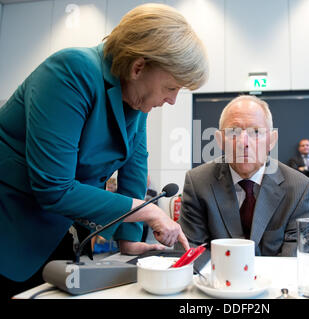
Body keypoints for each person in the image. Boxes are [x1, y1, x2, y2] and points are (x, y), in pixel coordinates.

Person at [0, 3, 208, 298]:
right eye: (171, 87)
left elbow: (134, 169)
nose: (172, 100)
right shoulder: (70, 71)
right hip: (11, 229)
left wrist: (129, 238)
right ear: (139, 67)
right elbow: (53, 187)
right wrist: (147, 211)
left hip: (58, 232)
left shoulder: (135, 95)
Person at [178, 95, 309, 256]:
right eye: (233, 132)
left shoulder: (300, 188)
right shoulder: (198, 183)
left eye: (256, 132)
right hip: (217, 279)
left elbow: (296, 257)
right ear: (220, 140)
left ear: (271, 140)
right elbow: (191, 250)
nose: (243, 142)